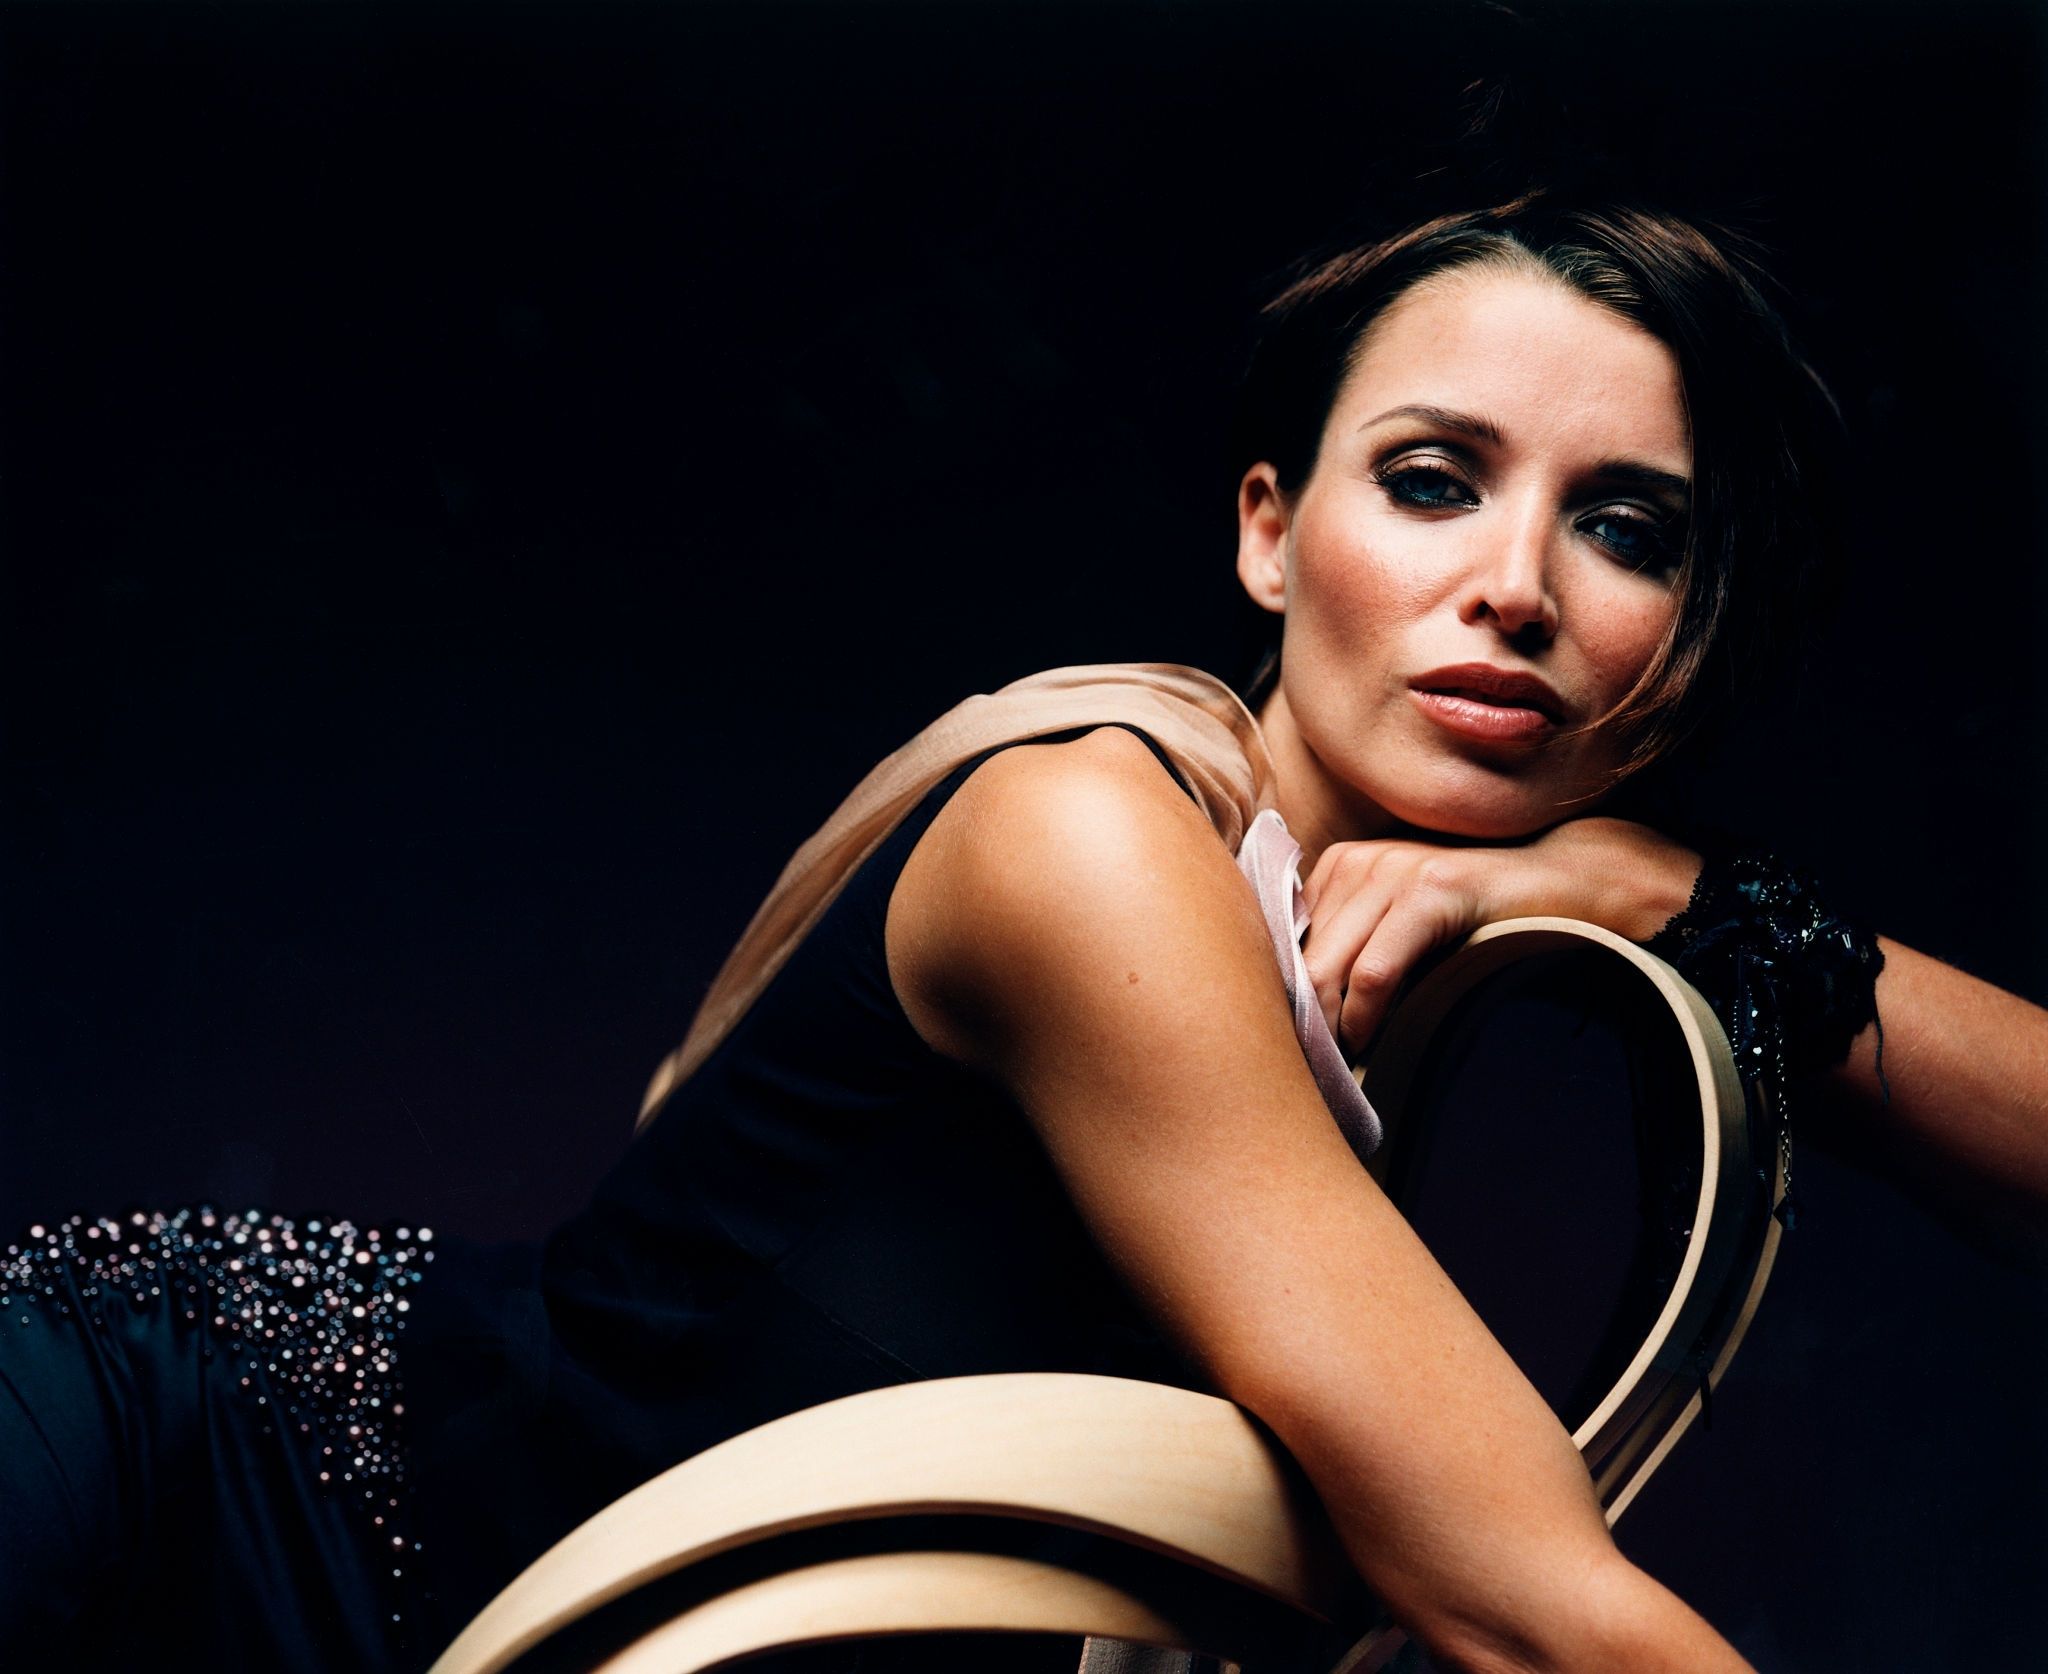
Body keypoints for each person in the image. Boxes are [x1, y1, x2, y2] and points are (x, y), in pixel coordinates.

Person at [4, 189, 2043, 1674]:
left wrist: (1661, 888)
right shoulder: (1089, 840)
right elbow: (1522, 1603)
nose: (1515, 584)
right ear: (1269, 531)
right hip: (178, 1470)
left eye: (1624, 530)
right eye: (1433, 481)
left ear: (1683, 634)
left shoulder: (1472, 921)